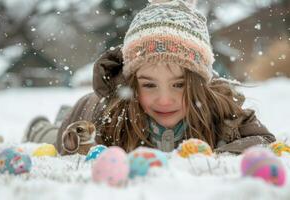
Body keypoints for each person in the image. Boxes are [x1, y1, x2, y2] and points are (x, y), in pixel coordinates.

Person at [23, 0, 275, 155]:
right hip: (81, 114)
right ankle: (41, 125)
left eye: (179, 84)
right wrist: (75, 141)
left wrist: (223, 154)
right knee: (52, 140)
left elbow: (262, 141)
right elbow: (81, 149)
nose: (164, 100)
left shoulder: (220, 109)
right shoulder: (109, 113)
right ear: (132, 84)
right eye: (149, 85)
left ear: (200, 84)